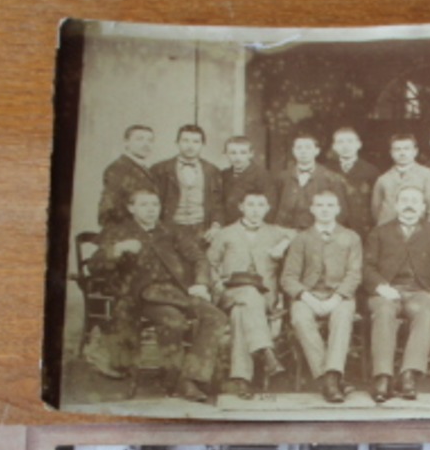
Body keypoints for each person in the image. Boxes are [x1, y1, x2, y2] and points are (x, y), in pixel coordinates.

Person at [97, 188, 223, 400]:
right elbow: (95, 264)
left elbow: (199, 258)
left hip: (175, 293)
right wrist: (117, 249)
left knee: (216, 316)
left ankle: (190, 378)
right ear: (131, 208)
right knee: (172, 319)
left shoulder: (170, 231)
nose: (151, 210)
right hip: (139, 296)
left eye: (155, 205)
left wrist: (201, 283)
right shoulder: (118, 232)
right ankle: (176, 381)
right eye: (144, 205)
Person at [363, 183, 430, 403]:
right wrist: (381, 286)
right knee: (383, 312)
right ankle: (383, 376)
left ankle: (408, 374)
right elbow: (367, 266)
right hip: (386, 290)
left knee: (426, 312)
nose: (409, 206)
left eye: (414, 201)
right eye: (404, 201)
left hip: (421, 290)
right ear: (396, 205)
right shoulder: (380, 232)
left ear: (422, 207)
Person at [207, 190, 294, 397]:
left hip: (264, 298)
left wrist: (283, 244)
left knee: (241, 313)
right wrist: (217, 285)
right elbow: (210, 264)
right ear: (241, 207)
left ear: (268, 208)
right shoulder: (225, 233)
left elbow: (300, 233)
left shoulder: (275, 232)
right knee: (247, 295)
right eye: (251, 205)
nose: (256, 210)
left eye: (261, 205)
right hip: (229, 293)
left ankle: (241, 378)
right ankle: (265, 350)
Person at [281, 190, 363, 403]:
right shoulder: (302, 238)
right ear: (312, 209)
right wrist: (308, 299)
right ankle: (330, 379)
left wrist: (336, 299)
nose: (325, 210)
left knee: (342, 318)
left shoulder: (351, 237)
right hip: (308, 295)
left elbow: (354, 274)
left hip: (340, 296)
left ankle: (331, 376)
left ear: (337, 209)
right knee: (299, 318)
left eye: (329, 205)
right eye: (320, 205)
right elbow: (288, 277)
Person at [150, 124, 226, 248]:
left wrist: (216, 226)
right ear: (177, 142)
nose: (190, 146)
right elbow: (152, 202)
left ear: (203, 144)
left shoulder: (212, 171)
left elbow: (218, 203)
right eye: (185, 140)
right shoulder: (160, 169)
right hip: (170, 228)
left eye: (196, 141)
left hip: (202, 229)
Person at [273, 132, 349, 232]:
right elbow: (272, 208)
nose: (303, 152)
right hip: (285, 234)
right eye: (299, 148)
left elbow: (341, 213)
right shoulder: (283, 177)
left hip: (316, 235)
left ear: (316, 151)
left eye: (308, 148)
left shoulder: (331, 178)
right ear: (293, 151)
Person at [372, 132, 430, 228]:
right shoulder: (383, 179)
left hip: (420, 233)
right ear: (391, 153)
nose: (402, 153)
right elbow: (376, 210)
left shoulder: (428, 175)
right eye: (397, 149)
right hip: (389, 234)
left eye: (406, 149)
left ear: (415, 151)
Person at [99, 124, 159, 236]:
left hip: (142, 231)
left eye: (150, 140)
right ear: (126, 142)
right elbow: (110, 210)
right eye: (139, 139)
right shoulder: (118, 169)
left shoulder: (143, 168)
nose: (146, 144)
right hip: (125, 235)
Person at [327, 126, 379, 240]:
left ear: (359, 144)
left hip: (363, 229)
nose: (346, 146)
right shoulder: (327, 171)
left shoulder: (371, 171)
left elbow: (376, 203)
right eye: (340, 142)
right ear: (334, 146)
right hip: (333, 228)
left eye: (350, 141)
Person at [218, 136, 273, 226]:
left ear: (251, 154)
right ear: (226, 154)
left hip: (252, 227)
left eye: (243, 153)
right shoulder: (224, 175)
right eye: (233, 153)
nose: (237, 157)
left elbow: (269, 206)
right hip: (228, 226)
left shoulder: (262, 175)